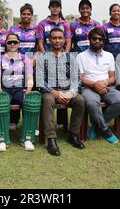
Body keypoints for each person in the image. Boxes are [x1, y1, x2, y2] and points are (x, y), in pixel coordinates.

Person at [36, 28, 85, 156]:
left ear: (64, 40)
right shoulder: (43, 58)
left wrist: (70, 93)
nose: (57, 41)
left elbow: (77, 79)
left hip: (67, 89)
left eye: (59, 38)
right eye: (54, 38)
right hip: (50, 91)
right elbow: (40, 80)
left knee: (80, 100)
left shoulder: (71, 58)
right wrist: (54, 92)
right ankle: (51, 138)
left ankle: (73, 135)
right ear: (49, 40)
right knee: (47, 100)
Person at [77, 28, 120, 143]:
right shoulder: (81, 56)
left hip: (107, 86)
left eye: (100, 39)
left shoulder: (109, 56)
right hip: (89, 87)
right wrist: (94, 85)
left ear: (103, 41)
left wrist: (104, 83)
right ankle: (105, 130)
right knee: (92, 103)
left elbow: (113, 77)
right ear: (89, 40)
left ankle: (96, 125)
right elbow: (81, 78)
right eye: (94, 39)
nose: (97, 41)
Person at [0, 34, 35, 152]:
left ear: (19, 44)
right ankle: (2, 139)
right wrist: (0, 92)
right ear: (5, 44)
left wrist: (28, 91)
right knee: (1, 103)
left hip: (20, 89)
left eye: (15, 42)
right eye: (9, 42)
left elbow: (29, 78)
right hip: (5, 89)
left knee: (31, 103)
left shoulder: (25, 58)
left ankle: (27, 138)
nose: (12, 44)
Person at [37, 0, 72, 129]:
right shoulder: (42, 24)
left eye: (57, 6)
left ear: (60, 8)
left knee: (63, 82)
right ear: (49, 7)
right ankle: (50, 125)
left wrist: (64, 55)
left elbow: (68, 41)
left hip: (62, 55)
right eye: (53, 6)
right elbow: (40, 42)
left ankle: (62, 123)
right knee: (51, 85)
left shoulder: (66, 24)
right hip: (47, 56)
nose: (55, 8)